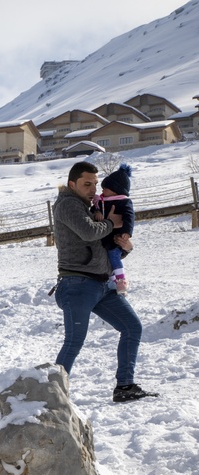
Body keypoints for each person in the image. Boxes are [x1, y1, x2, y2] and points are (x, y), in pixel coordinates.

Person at [53, 160, 157, 403]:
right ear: (72, 184)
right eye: (86, 184)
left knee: (132, 327)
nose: (93, 189)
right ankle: (53, 396)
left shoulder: (91, 207)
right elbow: (90, 232)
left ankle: (125, 386)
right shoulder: (68, 204)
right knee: (74, 341)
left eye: (95, 184)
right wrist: (112, 223)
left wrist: (126, 248)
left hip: (102, 284)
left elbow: (105, 248)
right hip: (77, 284)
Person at [94, 164, 135, 294]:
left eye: (106, 188)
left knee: (113, 255)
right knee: (106, 258)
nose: (102, 190)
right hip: (103, 238)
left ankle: (121, 280)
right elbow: (93, 210)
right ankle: (112, 281)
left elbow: (129, 216)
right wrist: (96, 212)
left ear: (116, 190)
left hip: (115, 238)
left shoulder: (124, 202)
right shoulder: (101, 202)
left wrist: (127, 232)